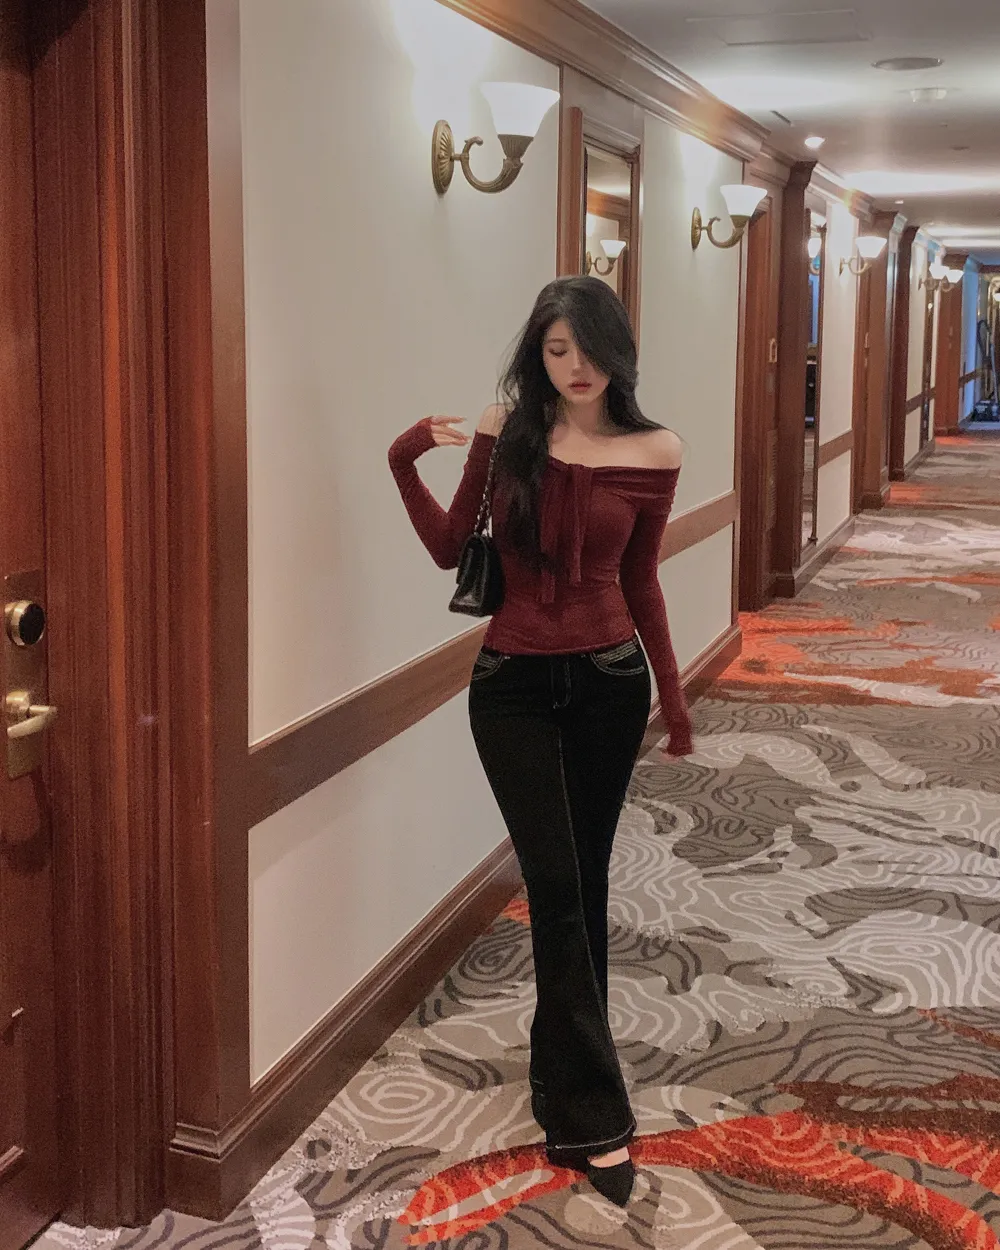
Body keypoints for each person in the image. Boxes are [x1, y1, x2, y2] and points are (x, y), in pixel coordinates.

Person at [388, 276, 692, 1208]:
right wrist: (404, 459)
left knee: (582, 885)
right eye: (558, 351)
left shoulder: (656, 448)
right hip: (510, 687)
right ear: (538, 355)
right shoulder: (508, 432)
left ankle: (559, 1080)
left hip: (609, 683)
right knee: (556, 886)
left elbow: (641, 579)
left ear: (618, 350)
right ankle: (596, 1118)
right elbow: (450, 547)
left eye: (590, 349)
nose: (576, 367)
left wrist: (674, 698)